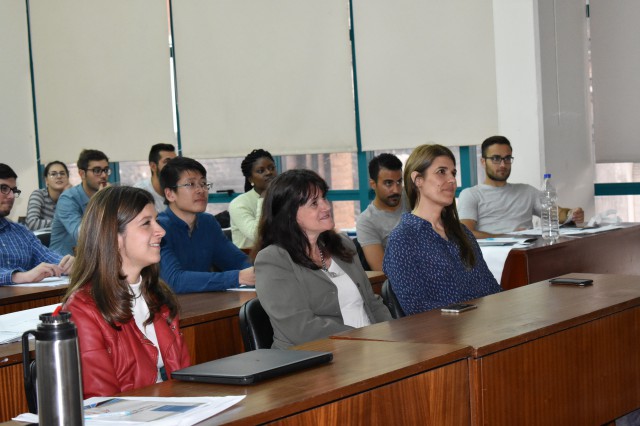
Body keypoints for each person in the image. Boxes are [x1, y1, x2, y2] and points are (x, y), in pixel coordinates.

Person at [62, 186, 190, 398]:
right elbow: (101, 403)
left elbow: (184, 377)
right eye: (146, 223)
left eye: (156, 220)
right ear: (113, 236)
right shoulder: (82, 309)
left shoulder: (158, 295)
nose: (161, 231)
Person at [254, 169, 392, 349]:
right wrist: (361, 341)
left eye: (324, 198)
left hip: (370, 345)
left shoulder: (342, 244)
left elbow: (372, 302)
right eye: (314, 203)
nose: (326, 206)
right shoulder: (273, 260)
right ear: (289, 213)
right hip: (315, 355)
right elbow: (301, 328)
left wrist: (391, 335)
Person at [383, 144, 501, 315]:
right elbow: (417, 308)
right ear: (418, 180)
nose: (452, 180)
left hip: (484, 321)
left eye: (453, 173)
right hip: (445, 329)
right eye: (441, 172)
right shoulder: (402, 239)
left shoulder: (462, 232)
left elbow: (491, 288)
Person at [158, 157, 255, 293]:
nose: (201, 190)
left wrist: (257, 271)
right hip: (168, 304)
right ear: (170, 194)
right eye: (190, 184)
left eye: (203, 183)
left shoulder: (208, 223)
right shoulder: (159, 228)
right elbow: (174, 281)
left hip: (205, 302)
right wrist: (237, 277)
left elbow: (237, 261)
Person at [458, 135, 585, 238]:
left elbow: (555, 213)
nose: (503, 165)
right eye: (496, 159)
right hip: (492, 255)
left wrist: (571, 213)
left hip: (526, 252)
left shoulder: (526, 191)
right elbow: (466, 233)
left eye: (507, 158)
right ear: (483, 162)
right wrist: (507, 237)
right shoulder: (471, 194)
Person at [0, 163, 73, 285]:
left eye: (13, 190)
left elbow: (47, 256)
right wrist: (20, 277)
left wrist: (69, 264)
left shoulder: (21, 232)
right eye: (4, 188)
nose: (11, 196)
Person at [50, 149, 111, 255]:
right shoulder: (67, 199)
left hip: (91, 258)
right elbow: (83, 236)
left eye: (106, 170)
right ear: (82, 174)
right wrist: (100, 201)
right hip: (62, 261)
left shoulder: (108, 195)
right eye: (97, 170)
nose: (104, 175)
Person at [356, 153, 404, 271]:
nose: (396, 190)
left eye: (399, 182)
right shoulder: (366, 221)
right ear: (373, 184)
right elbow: (381, 271)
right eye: (388, 183)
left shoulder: (411, 197)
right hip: (401, 278)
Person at [229, 149, 277, 248]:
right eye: (261, 171)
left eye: (271, 168)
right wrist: (263, 198)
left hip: (280, 254)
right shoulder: (238, 204)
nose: (269, 172)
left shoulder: (284, 197)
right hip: (248, 256)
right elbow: (257, 236)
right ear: (250, 179)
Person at [25, 161, 71, 231]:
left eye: (62, 173)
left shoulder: (72, 197)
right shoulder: (38, 194)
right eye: (53, 174)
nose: (59, 176)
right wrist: (62, 224)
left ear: (67, 178)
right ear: (46, 180)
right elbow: (32, 223)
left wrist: (65, 198)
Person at [134, 143, 177, 212]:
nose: (174, 166)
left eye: (175, 162)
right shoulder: (140, 193)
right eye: (167, 162)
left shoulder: (180, 188)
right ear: (153, 166)